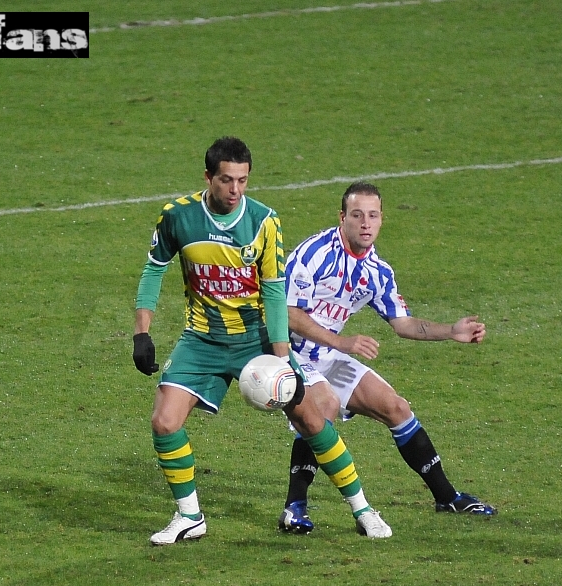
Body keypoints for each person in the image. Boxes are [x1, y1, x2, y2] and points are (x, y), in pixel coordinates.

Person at [132, 138, 392, 545]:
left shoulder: (264, 221)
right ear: (208, 177)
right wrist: (142, 332)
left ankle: (363, 508)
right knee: (164, 422)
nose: (235, 190)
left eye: (243, 180)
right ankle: (189, 517)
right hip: (202, 338)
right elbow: (153, 270)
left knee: (312, 420)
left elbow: (273, 292)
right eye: (226, 180)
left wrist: (284, 358)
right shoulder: (178, 217)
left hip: (255, 338)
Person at [277, 181, 496, 534]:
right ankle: (294, 507)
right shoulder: (315, 253)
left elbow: (403, 323)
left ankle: (447, 496)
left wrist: (450, 331)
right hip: (289, 352)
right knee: (324, 406)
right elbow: (287, 314)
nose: (365, 223)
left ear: (381, 221)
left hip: (330, 353)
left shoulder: (378, 271)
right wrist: (342, 342)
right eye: (357, 215)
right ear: (342, 218)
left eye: (373, 216)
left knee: (396, 408)